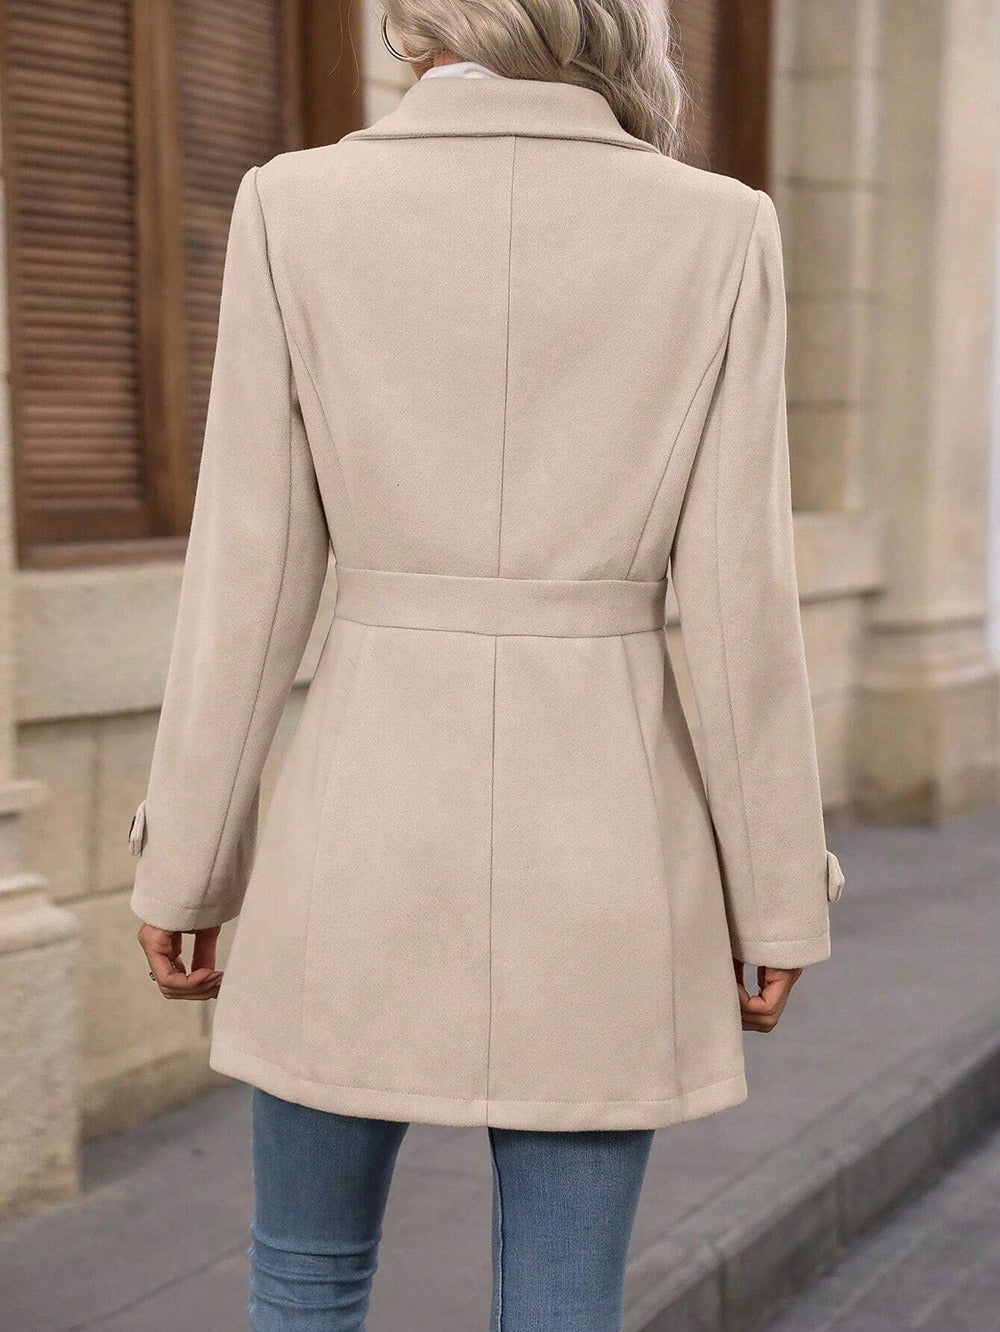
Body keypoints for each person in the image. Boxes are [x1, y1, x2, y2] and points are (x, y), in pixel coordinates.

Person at [128, 2, 845, 1328]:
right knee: (563, 1304)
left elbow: (252, 572)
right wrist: (778, 894)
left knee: (305, 1270)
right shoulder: (717, 227)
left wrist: (189, 863)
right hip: (610, 847)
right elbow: (743, 603)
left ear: (412, 32)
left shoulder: (297, 205)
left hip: (361, 835)